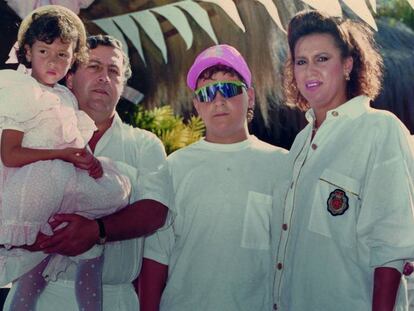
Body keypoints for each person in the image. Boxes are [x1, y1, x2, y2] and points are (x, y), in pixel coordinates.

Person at [3, 34, 171, 310]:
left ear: (122, 85)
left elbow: (155, 211)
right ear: (70, 78)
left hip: (113, 298)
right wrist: (26, 238)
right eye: (93, 66)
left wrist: (98, 230)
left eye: (113, 71)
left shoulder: (144, 144)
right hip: (33, 296)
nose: (104, 77)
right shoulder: (32, 133)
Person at [272, 10, 414, 311]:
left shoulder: (379, 128)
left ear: (348, 65)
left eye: (322, 59)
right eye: (301, 61)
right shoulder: (299, 145)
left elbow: (391, 245)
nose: (310, 71)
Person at [0, 6, 132, 311]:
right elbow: (10, 155)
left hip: (62, 182)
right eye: (44, 51)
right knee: (32, 274)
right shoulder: (20, 91)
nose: (53, 61)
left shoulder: (64, 97)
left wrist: (87, 160)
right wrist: (60, 154)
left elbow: (72, 142)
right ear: (27, 52)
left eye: (62, 54)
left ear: (73, 59)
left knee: (118, 188)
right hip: (29, 186)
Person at [138, 44, 288, 311]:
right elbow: (155, 257)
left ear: (250, 96)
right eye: (207, 93)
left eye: (229, 89)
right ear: (196, 105)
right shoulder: (173, 168)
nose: (218, 100)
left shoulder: (283, 165)